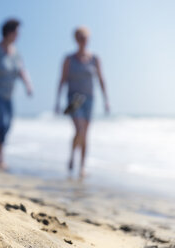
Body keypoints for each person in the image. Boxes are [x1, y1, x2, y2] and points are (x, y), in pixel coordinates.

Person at [55, 26, 110, 178]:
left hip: (89, 99)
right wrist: (57, 101)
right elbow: (62, 79)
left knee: (85, 134)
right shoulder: (69, 59)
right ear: (75, 39)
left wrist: (106, 100)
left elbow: (101, 79)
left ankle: (82, 167)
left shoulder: (95, 59)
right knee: (79, 130)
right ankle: (72, 155)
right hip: (73, 99)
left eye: (85, 37)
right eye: (79, 37)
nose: (82, 40)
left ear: (88, 39)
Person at [0, 19, 33, 169]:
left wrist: (28, 84)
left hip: (8, 97)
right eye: (16, 32)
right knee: (1, 125)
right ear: (9, 32)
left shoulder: (16, 53)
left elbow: (21, 70)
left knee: (7, 126)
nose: (18, 35)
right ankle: (0, 158)